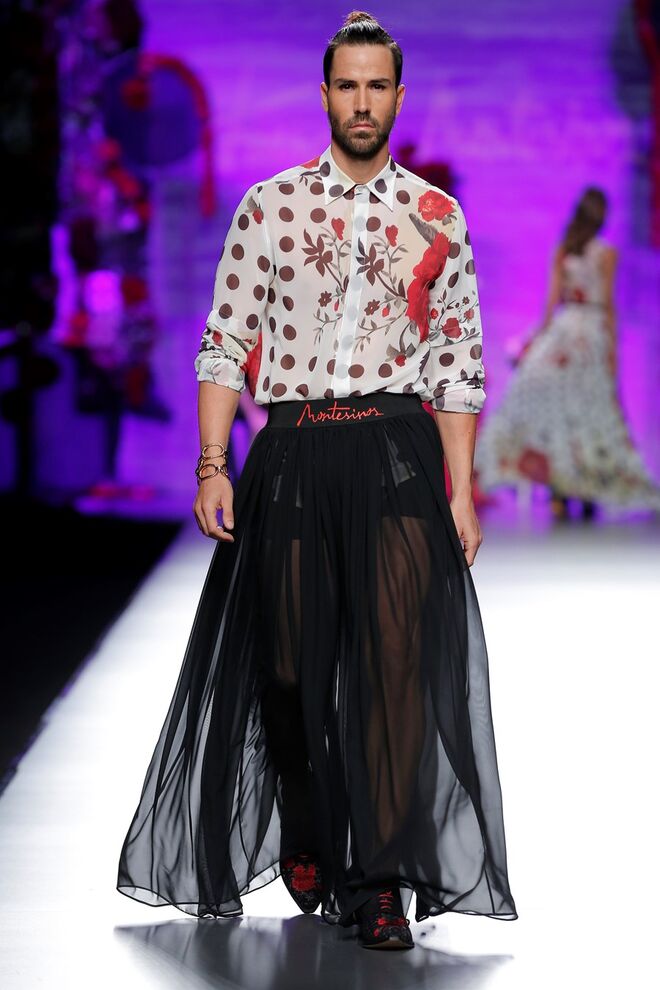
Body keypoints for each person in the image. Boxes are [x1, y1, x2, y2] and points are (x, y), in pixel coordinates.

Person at [116, 11, 518, 950]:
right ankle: (304, 818)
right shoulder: (269, 207)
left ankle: (380, 880)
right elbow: (226, 340)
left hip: (395, 451)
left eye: (378, 86)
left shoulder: (437, 217)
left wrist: (461, 489)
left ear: (399, 98)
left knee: (394, 668)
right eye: (348, 86)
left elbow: (457, 362)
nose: (362, 102)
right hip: (293, 451)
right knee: (291, 669)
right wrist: (213, 463)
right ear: (326, 94)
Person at [474, 186, 660, 518]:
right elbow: (608, 304)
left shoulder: (565, 250)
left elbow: (550, 306)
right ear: (601, 217)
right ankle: (584, 489)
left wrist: (535, 342)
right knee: (588, 412)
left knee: (559, 414)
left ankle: (560, 491)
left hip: (564, 332)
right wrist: (612, 349)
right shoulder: (606, 254)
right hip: (591, 335)